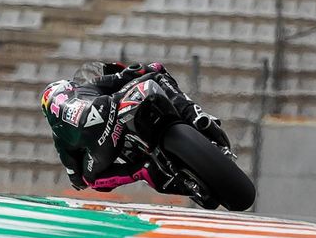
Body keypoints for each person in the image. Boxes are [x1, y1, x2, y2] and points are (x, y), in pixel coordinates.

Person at [40, 61, 231, 193]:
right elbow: (128, 74)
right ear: (67, 87)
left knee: (91, 180)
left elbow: (77, 180)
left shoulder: (58, 134)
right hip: (110, 107)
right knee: (156, 74)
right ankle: (195, 116)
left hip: (102, 145)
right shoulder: (82, 88)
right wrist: (140, 69)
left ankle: (142, 169)